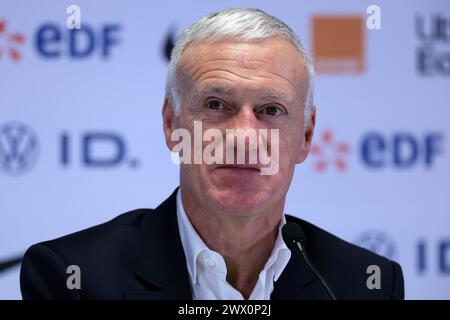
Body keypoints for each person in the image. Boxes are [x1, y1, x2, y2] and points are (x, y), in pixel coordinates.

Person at [20, 8, 404, 300]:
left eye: (271, 111)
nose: (244, 137)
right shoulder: (74, 277)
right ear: (172, 124)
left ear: (305, 135)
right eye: (216, 105)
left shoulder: (364, 283)